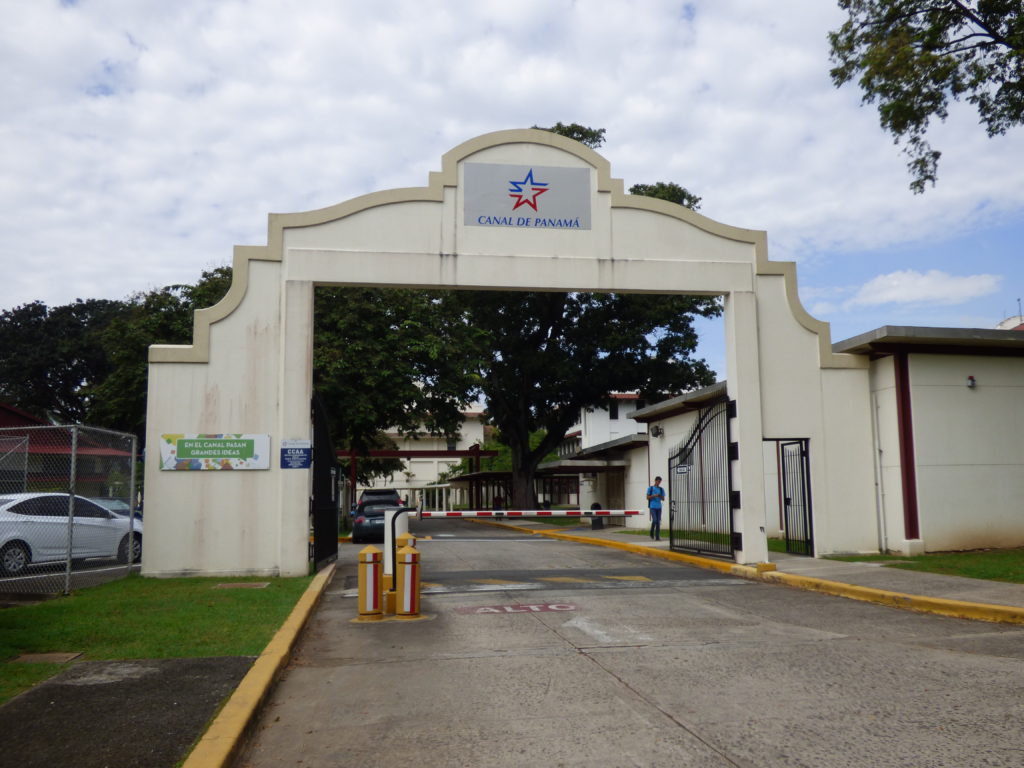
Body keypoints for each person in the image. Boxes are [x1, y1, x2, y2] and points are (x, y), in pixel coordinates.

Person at [646, 476, 666, 541]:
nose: (659, 483)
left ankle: (657, 537)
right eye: (658, 481)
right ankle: (651, 531)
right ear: (655, 481)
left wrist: (660, 496)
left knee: (658, 522)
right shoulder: (650, 488)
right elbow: (647, 497)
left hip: (659, 507)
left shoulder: (661, 489)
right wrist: (654, 495)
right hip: (652, 507)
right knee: (654, 520)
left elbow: (663, 499)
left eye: (660, 482)